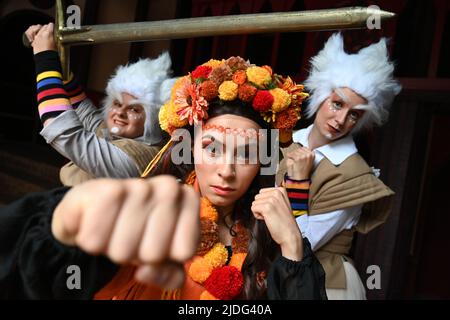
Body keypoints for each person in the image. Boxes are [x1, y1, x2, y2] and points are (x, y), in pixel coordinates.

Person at [0, 57, 326, 300]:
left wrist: (294, 249)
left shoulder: (270, 233)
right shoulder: (154, 213)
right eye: (212, 149)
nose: (227, 170)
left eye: (245, 154)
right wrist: (62, 228)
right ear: (189, 147)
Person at [276, 33, 402, 299]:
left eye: (354, 114)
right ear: (321, 96)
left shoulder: (353, 175)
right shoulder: (284, 140)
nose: (341, 119)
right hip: (275, 275)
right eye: (337, 104)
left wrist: (298, 185)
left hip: (324, 286)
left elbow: (303, 244)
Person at [25, 23, 176, 186]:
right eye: (117, 103)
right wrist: (47, 43)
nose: (120, 112)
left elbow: (65, 134)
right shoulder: (117, 133)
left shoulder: (142, 157)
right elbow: (82, 109)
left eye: (134, 108)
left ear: (153, 120)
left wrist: (45, 57)